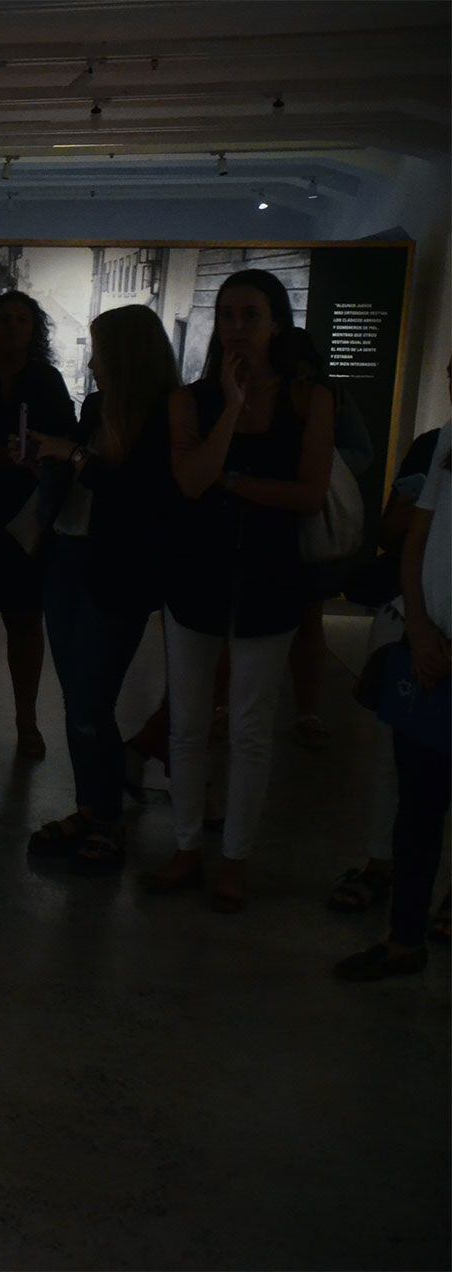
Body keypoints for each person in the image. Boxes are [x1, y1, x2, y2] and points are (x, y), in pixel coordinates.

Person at [142, 269, 334, 912]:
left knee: (251, 728)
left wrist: (236, 483)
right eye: (226, 315)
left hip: (270, 582)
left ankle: (236, 859)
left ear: (277, 323)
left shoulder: (310, 400)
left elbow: (309, 496)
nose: (237, 327)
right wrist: (228, 408)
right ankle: (188, 845)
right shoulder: (190, 401)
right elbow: (192, 481)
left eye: (251, 314)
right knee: (190, 724)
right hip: (195, 577)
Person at [24, 305, 180, 870]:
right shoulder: (98, 406)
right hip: (67, 554)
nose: (92, 362)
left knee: (92, 697)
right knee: (76, 697)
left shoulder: (167, 414)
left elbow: (142, 497)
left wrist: (77, 456)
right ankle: (94, 805)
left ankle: (107, 815)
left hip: (119, 569)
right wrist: (47, 460)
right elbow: (88, 481)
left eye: (100, 350)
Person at [336, 374, 452, 978]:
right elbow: (412, 542)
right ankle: (405, 935)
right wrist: (423, 631)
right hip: (429, 642)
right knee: (417, 804)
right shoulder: (446, 443)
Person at [0, 291, 78, 759]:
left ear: (34, 329)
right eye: (4, 319)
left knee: (25, 620)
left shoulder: (46, 380)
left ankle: (27, 721)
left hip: (28, 512)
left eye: (21, 320)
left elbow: (66, 435)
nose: (12, 327)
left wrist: (41, 452)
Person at [283, 328, 376, 750]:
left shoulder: (327, 394)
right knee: (304, 622)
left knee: (306, 621)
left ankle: (305, 708)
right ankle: (303, 710)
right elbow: (361, 451)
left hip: (300, 520)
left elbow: (359, 450)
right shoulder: (325, 392)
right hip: (284, 519)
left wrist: (320, 466)